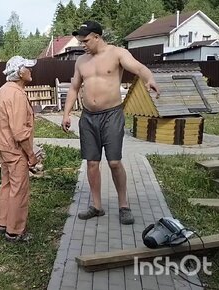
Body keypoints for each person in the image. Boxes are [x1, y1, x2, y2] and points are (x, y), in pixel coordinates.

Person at [61, 20, 160, 225]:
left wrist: (149, 79)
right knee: (91, 163)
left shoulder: (117, 53)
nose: (82, 44)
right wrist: (66, 114)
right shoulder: (81, 62)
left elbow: (139, 68)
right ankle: (96, 206)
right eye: (81, 41)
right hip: (88, 117)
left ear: (97, 36)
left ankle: (124, 205)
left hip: (112, 115)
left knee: (114, 162)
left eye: (86, 40)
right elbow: (73, 88)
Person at [0, 55, 38, 242]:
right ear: (20, 72)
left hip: (3, 146)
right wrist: (31, 154)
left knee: (7, 184)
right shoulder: (16, 94)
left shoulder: (3, 90)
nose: (31, 71)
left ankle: (3, 223)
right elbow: (19, 132)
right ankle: (15, 231)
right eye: (28, 68)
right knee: (19, 189)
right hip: (14, 148)